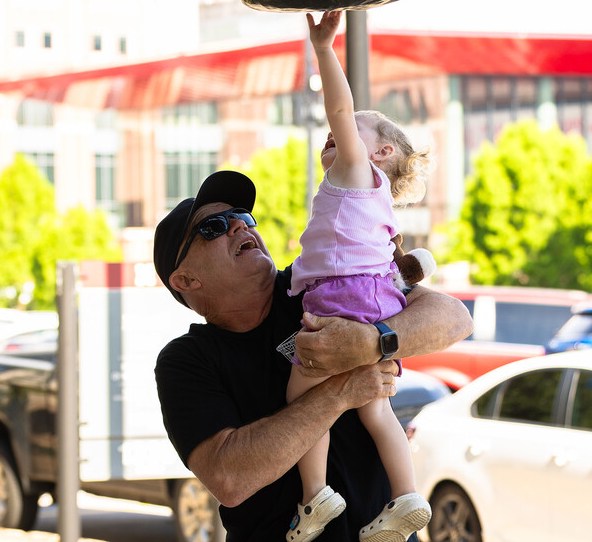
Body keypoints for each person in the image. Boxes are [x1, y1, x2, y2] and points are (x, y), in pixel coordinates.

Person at [152, 169, 472, 541]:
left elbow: (453, 317)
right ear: (187, 280)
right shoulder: (187, 361)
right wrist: (341, 391)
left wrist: (372, 341)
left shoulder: (317, 285)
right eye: (213, 227)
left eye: (242, 216)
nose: (238, 227)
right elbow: (230, 477)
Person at [282, 10, 432, 542]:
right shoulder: (375, 203)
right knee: (376, 408)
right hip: (370, 297)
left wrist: (324, 48)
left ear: (381, 152)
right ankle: (408, 497)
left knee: (305, 396)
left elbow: (340, 106)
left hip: (340, 299)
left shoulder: (353, 171)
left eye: (348, 132)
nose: (336, 133)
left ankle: (315, 494)